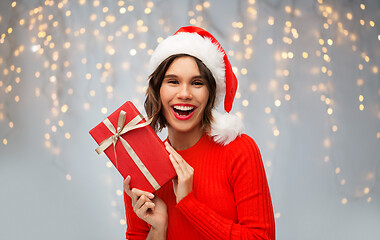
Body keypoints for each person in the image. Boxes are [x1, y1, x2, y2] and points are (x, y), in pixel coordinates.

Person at [123, 26, 275, 240]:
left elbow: (261, 237)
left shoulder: (239, 150)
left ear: (210, 93)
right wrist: (158, 229)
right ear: (158, 90)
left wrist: (189, 204)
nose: (184, 94)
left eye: (197, 83)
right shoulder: (141, 166)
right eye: (173, 81)